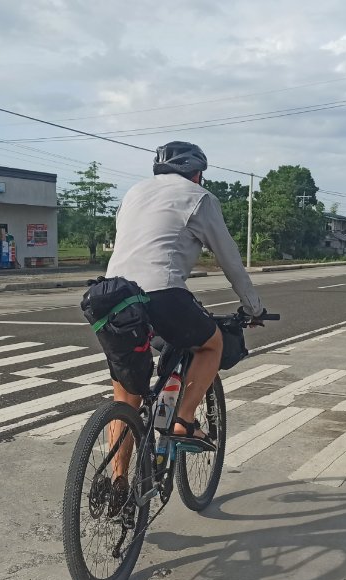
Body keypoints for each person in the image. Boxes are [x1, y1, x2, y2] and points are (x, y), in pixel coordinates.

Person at [101, 141, 265, 505]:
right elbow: (230, 260)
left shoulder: (133, 193)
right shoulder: (199, 197)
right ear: (197, 172)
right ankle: (183, 420)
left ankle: (117, 485)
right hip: (162, 294)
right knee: (210, 344)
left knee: (125, 398)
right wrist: (253, 307)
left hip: (110, 296)